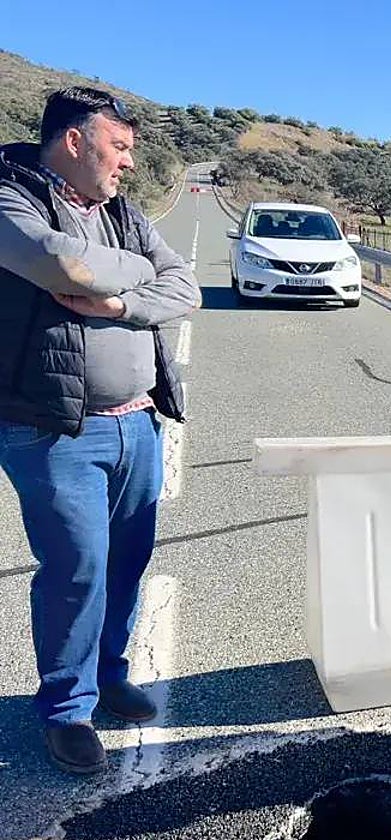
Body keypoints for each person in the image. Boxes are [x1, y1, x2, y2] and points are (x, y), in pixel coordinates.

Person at [0, 87, 200, 774]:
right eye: (120, 148)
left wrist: (118, 298)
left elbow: (187, 287)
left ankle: (109, 673)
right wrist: (143, 277)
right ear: (76, 141)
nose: (129, 166)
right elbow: (59, 264)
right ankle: (66, 709)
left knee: (126, 562)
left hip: (137, 423)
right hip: (54, 430)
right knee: (76, 570)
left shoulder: (122, 214)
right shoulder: (11, 198)